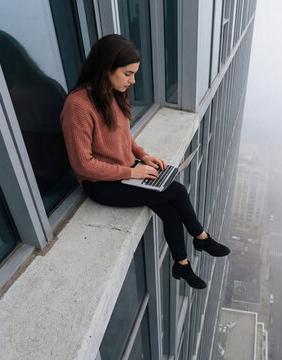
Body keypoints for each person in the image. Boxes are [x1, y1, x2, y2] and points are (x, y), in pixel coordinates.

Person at [60, 34, 230, 289]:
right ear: (106, 68)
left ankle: (182, 265)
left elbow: (123, 136)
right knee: (177, 191)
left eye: (134, 74)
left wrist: (143, 156)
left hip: (126, 172)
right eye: (128, 73)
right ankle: (201, 238)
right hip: (102, 184)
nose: (133, 81)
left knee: (171, 211)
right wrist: (131, 173)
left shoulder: (113, 92)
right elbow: (83, 165)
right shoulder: (77, 106)